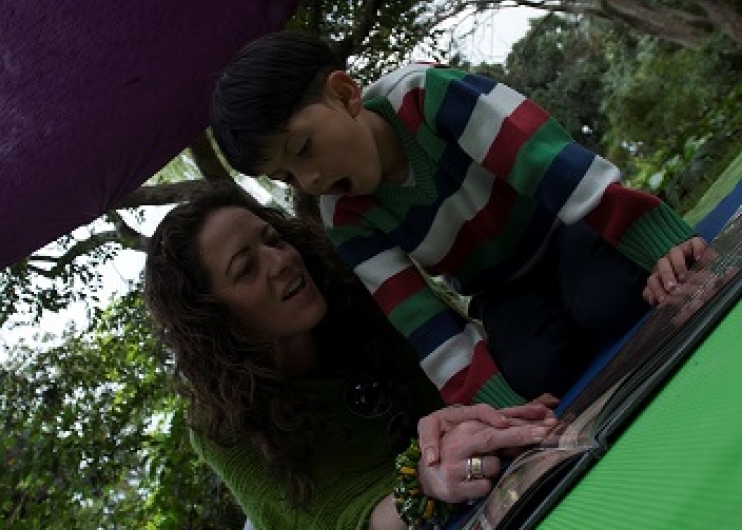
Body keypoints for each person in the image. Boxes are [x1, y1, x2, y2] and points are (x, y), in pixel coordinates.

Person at [209, 31, 709, 406]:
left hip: (563, 229)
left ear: (344, 94)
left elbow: (551, 162)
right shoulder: (344, 216)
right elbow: (416, 313)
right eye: (287, 177)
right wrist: (500, 410)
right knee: (535, 374)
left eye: (304, 149)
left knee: (608, 301)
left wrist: (658, 242)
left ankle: (598, 286)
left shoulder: (428, 98)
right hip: (502, 289)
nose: (310, 179)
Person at [143, 182, 556, 529]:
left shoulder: (365, 287)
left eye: (274, 239)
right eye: (246, 268)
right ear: (212, 318)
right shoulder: (221, 424)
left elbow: (469, 360)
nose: (283, 261)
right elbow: (324, 520)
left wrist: (504, 413)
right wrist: (424, 478)